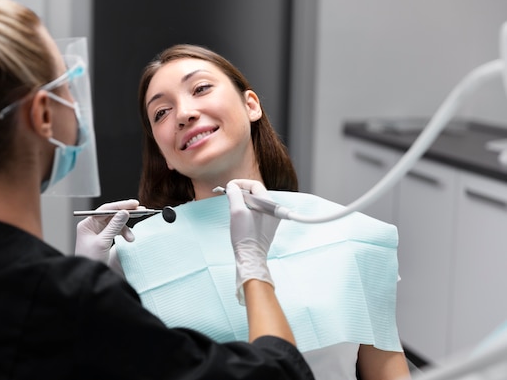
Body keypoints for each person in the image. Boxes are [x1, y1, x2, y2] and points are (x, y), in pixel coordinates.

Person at [0, 0, 315, 379]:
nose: (184, 114)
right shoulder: (78, 301)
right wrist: (254, 266)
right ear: (44, 115)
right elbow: (278, 374)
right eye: (66, 83)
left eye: (201, 88)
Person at [77, 44, 411, 380]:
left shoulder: (347, 236)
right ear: (164, 154)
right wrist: (84, 290)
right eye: (161, 112)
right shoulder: (133, 263)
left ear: (251, 105)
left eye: (201, 88)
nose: (183, 113)